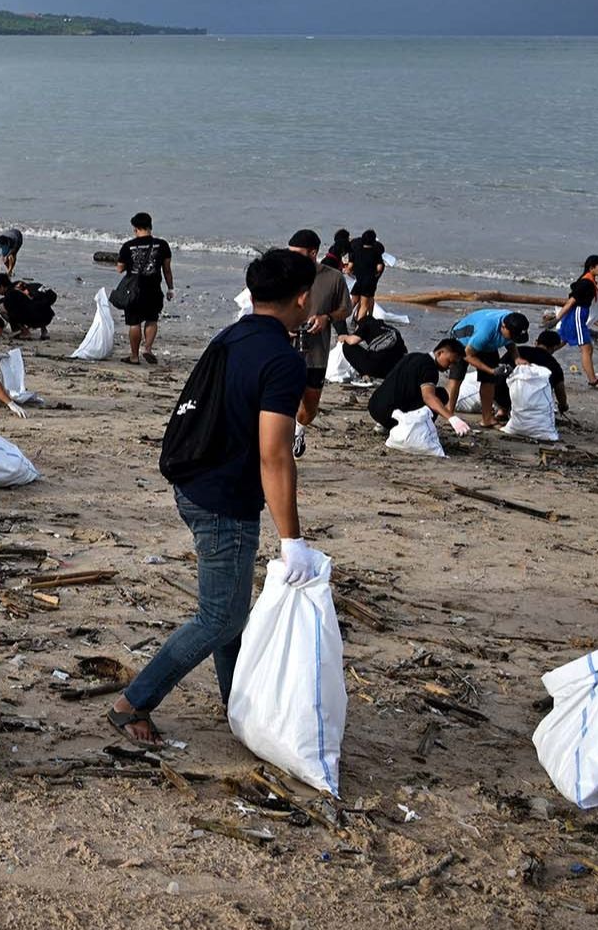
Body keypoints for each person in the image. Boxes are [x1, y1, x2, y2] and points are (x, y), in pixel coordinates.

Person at [107, 248, 318, 749]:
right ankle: (132, 702)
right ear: (304, 298)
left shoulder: (233, 334)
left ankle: (235, 701)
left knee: (231, 610)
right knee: (220, 616)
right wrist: (293, 540)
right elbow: (275, 455)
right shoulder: (284, 361)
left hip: (193, 482)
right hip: (224, 499)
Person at [288, 228, 351, 456]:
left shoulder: (333, 278)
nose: (292, 258)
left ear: (313, 253)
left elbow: (346, 309)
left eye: (297, 253)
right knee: (281, 400)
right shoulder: (285, 275)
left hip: (316, 353)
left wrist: (327, 318)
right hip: (286, 350)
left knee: (310, 406)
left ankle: (299, 428)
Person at [443, 309, 530, 427]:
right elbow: (467, 355)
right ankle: (449, 415)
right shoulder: (485, 332)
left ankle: (487, 419)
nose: (512, 339)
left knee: (489, 381)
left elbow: (510, 342)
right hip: (462, 342)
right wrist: (491, 370)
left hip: (488, 346)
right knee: (456, 378)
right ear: (503, 327)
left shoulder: (513, 321)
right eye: (512, 336)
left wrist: (517, 358)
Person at [368, 339, 472, 435]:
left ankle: (385, 424)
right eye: (450, 362)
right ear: (440, 353)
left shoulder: (413, 356)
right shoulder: (430, 369)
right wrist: (452, 418)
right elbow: (428, 397)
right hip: (390, 415)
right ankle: (420, 430)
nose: (450, 367)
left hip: (374, 407)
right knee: (441, 394)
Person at [116, 213, 174, 364]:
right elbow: (167, 269)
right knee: (152, 319)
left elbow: (120, 268)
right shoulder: (162, 245)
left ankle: (134, 356)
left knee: (134, 323)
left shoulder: (128, 246)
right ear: (150, 226)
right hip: (154, 288)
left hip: (134, 290)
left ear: (135, 229)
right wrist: (170, 288)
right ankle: (147, 348)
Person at [550, 254, 598, 389]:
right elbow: (571, 302)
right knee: (586, 348)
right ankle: (593, 381)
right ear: (591, 267)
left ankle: (538, 357)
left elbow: (586, 294)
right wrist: (557, 318)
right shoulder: (586, 283)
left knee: (561, 341)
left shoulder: (590, 281)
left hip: (578, 314)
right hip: (577, 315)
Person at [517, 330, 573, 415]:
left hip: (503, 396)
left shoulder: (518, 351)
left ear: (536, 342)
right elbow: (560, 391)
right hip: (532, 404)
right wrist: (563, 406)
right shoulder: (554, 365)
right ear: (555, 347)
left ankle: (502, 411)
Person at [335, 313, 407, 379]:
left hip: (376, 368)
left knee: (347, 347)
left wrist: (344, 337)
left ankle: (365, 375)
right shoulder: (392, 329)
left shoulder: (365, 323)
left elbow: (352, 341)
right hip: (395, 370)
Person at [0, 272, 54, 340]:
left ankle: (24, 332)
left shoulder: (10, 296)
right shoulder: (20, 284)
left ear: (1, 287)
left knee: (2, 308)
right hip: (48, 317)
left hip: (35, 320)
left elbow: (10, 309)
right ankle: (44, 331)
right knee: (35, 302)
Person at [346, 228, 387, 322]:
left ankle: (341, 318)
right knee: (364, 305)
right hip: (369, 282)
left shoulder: (357, 251)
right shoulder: (375, 252)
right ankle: (359, 326)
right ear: (374, 241)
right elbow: (379, 267)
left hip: (358, 281)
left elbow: (350, 267)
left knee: (353, 301)